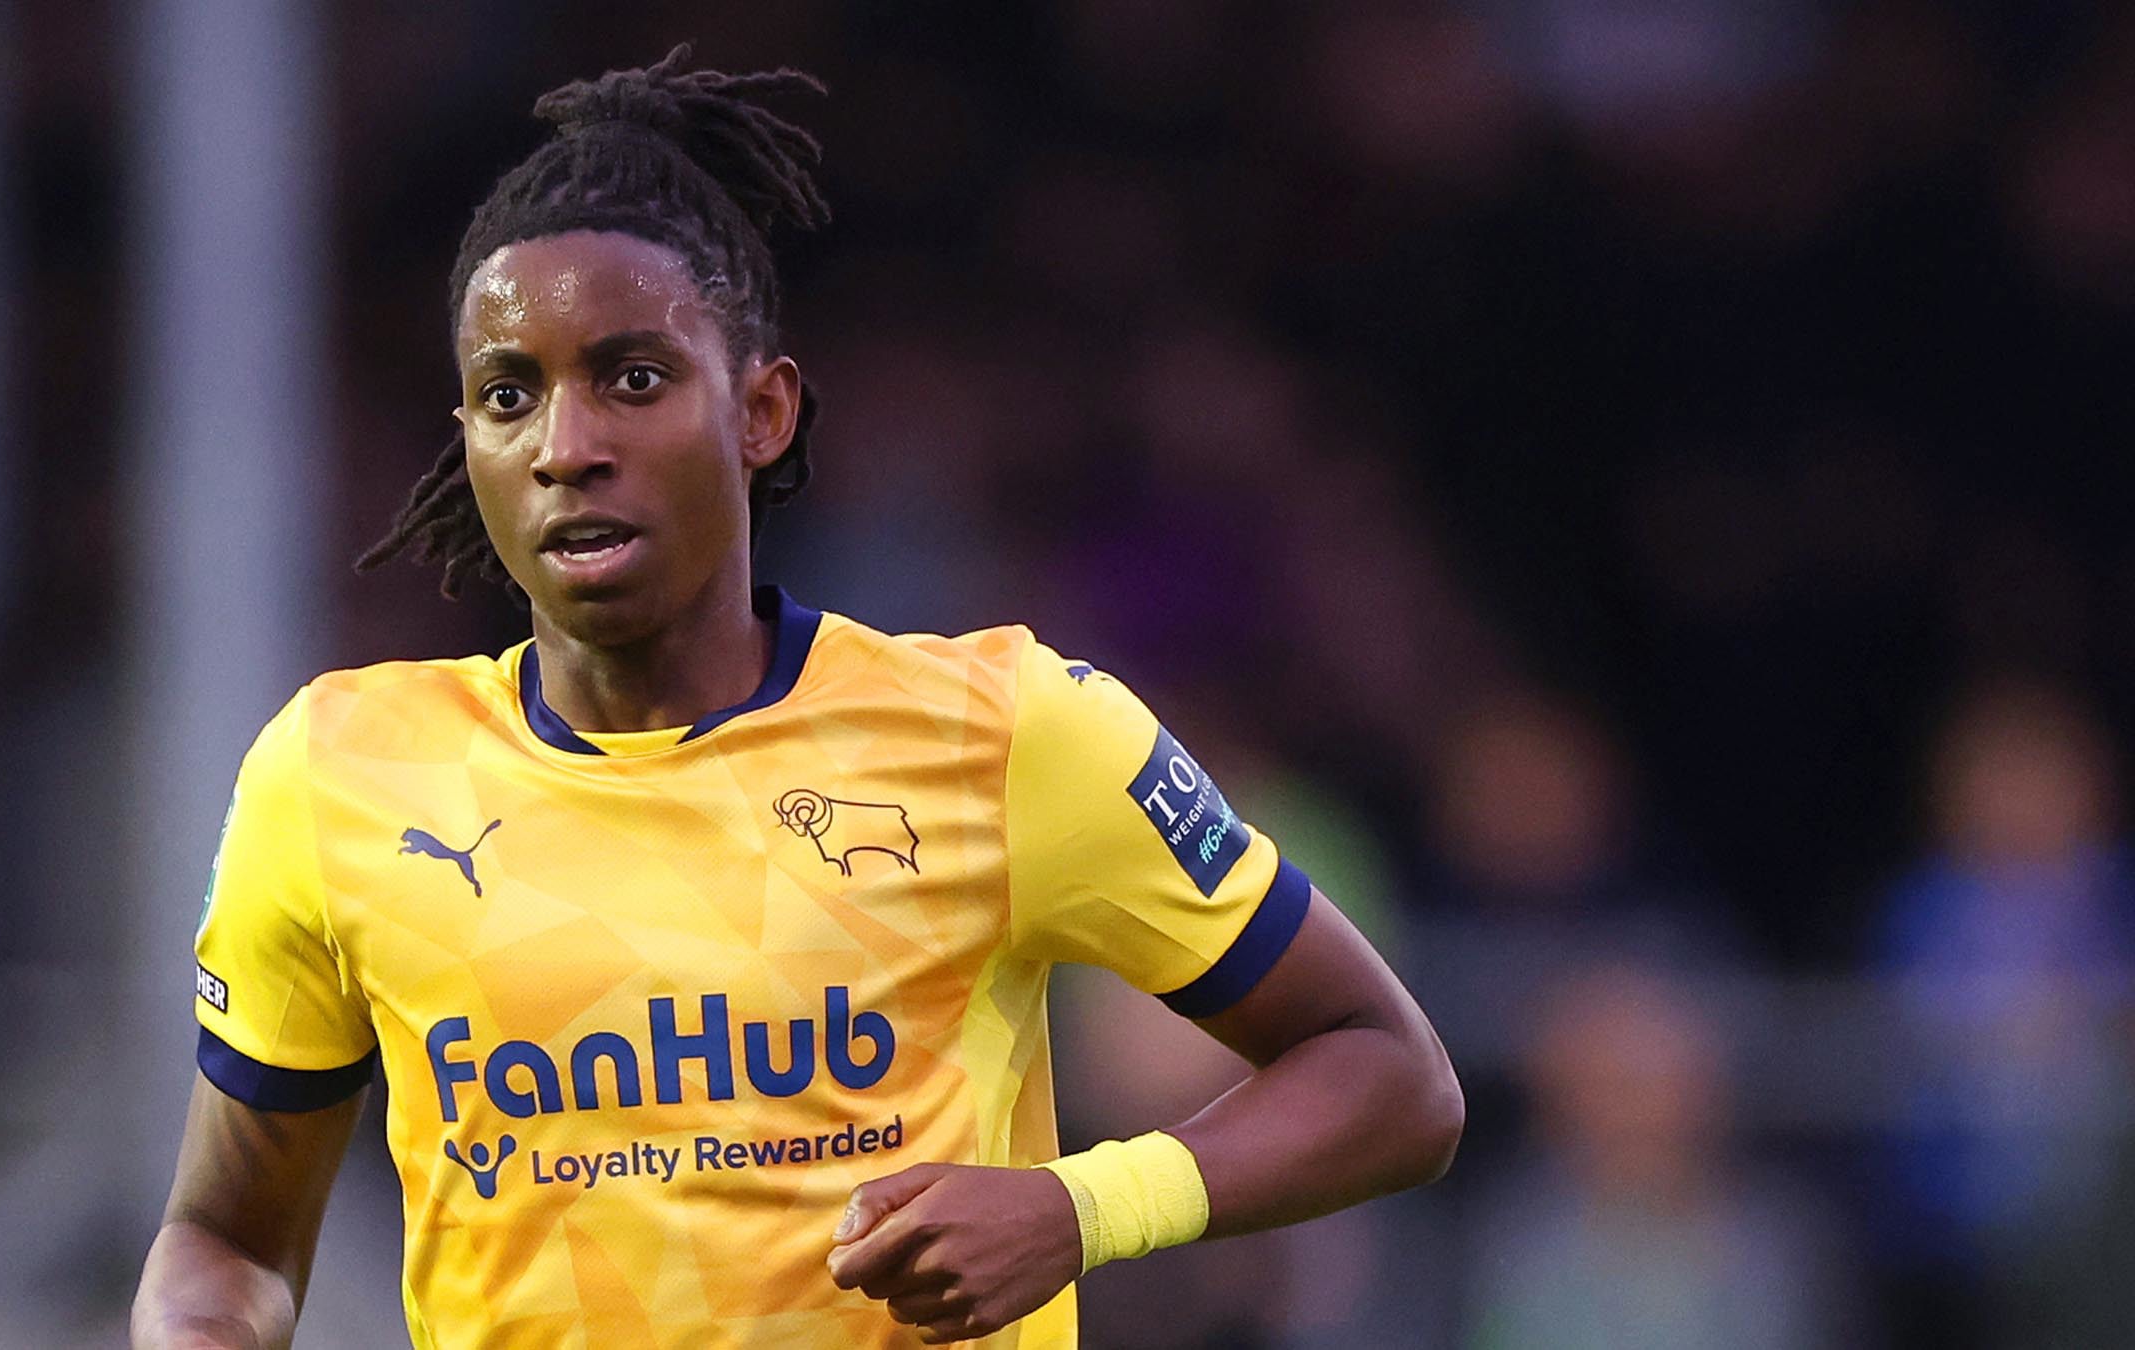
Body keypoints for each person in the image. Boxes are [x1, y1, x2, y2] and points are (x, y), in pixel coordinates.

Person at [129, 47, 1461, 1350]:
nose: (567, 445)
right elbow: (229, 1242)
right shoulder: (339, 776)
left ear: (761, 411)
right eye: (508, 394)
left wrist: (1082, 1207)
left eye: (633, 379)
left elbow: (1389, 1070)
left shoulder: (1005, 730)